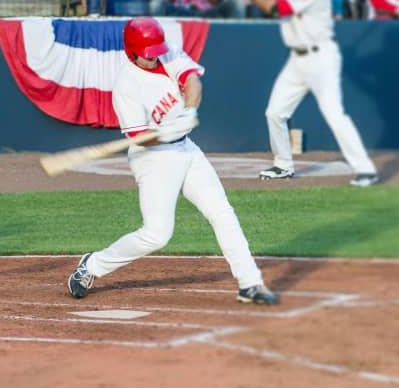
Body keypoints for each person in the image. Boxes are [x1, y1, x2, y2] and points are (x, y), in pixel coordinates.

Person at [67, 17, 279, 306]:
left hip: (186, 149)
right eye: (147, 52)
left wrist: (188, 112)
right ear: (132, 51)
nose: (154, 56)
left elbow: (192, 80)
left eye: (156, 50)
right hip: (153, 158)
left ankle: (249, 283)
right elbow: (141, 138)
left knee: (222, 213)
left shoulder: (166, 51)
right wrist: (163, 133)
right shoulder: (126, 86)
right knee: (156, 235)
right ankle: (92, 265)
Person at [236, 0, 378, 186]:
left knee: (334, 115)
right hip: (296, 58)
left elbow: (277, 9)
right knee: (275, 113)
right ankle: (283, 165)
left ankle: (365, 169)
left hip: (321, 57)